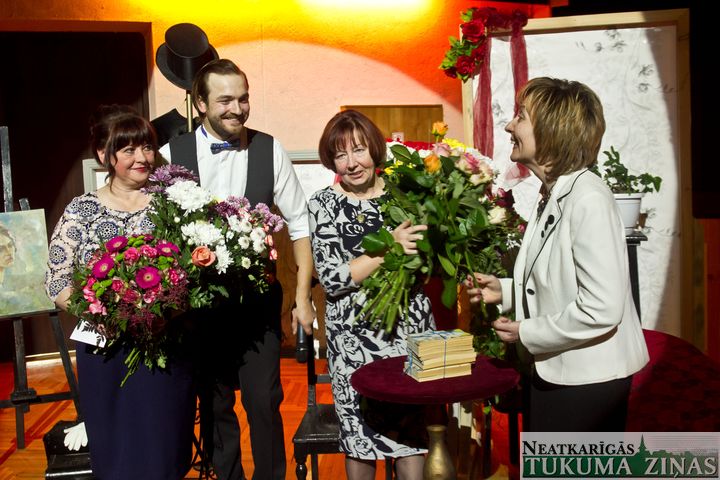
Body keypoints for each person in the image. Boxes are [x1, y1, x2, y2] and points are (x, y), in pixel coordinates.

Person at [159, 58, 315, 480]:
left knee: (264, 400)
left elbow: (300, 223)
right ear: (200, 103)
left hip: (257, 305)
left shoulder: (270, 148)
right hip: (198, 310)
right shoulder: (170, 155)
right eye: (225, 100)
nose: (238, 108)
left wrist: (302, 297)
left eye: (243, 99)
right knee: (215, 403)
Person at [465, 77, 649, 432]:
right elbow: (560, 280)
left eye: (521, 117)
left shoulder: (588, 199)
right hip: (560, 374)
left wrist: (526, 331)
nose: (509, 126)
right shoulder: (555, 192)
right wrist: (506, 291)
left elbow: (601, 307)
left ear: (552, 130)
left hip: (587, 384)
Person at [45, 105, 196, 479]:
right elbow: (56, 281)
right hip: (104, 351)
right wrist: (103, 314)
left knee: (164, 448)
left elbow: (194, 273)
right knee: (117, 453)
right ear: (104, 154)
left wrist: (165, 312)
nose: (141, 157)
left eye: (146, 147)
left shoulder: (170, 205)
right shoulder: (82, 210)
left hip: (163, 345)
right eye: (128, 149)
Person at [308, 110, 435, 480]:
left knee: (410, 438)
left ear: (374, 149)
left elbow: (426, 262)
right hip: (353, 343)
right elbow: (332, 278)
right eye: (340, 155)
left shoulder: (405, 195)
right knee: (360, 441)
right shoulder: (322, 204)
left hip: (408, 334)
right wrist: (388, 248)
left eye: (359, 150)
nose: (351, 163)